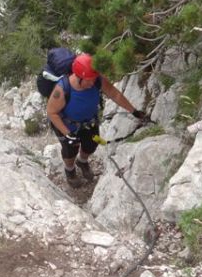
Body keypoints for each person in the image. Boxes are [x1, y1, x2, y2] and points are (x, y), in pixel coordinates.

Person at [46, 53, 150, 184]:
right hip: (67, 125)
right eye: (88, 80)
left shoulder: (97, 80)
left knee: (91, 145)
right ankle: (70, 170)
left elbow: (114, 93)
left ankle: (82, 162)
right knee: (70, 150)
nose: (92, 83)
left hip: (89, 122)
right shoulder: (61, 89)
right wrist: (68, 134)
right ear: (78, 77)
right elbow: (51, 112)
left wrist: (133, 111)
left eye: (93, 79)